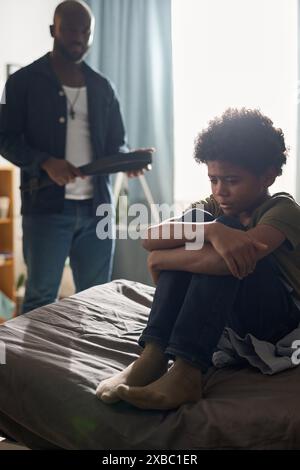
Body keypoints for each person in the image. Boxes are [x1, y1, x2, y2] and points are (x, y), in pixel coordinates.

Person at [96, 108, 300, 410]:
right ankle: (153, 355)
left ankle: (187, 373)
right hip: (232, 316)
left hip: (277, 322)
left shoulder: (283, 209)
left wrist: (162, 261)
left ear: (268, 175)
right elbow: (150, 238)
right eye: (213, 180)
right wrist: (211, 230)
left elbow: (226, 264)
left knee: (223, 236)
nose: (220, 191)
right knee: (198, 225)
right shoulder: (213, 210)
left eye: (231, 180)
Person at [0, 0, 152, 313]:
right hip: (45, 208)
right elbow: (5, 138)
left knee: (97, 300)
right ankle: (26, 363)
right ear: (52, 29)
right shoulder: (22, 82)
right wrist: (45, 161)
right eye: (70, 28)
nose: (79, 37)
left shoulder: (103, 87)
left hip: (98, 209)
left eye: (86, 31)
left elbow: (116, 144)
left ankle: (88, 363)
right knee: (40, 299)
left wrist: (129, 160)